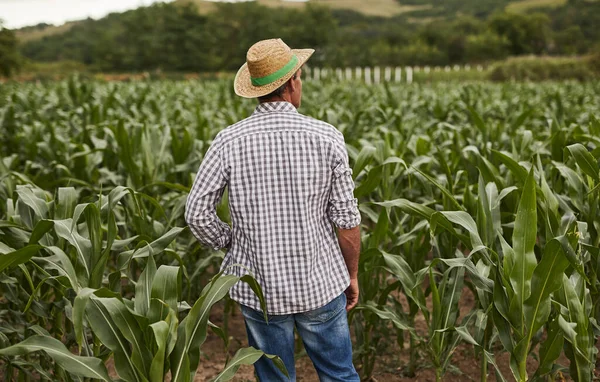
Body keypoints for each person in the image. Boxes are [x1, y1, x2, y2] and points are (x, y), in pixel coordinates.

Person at [185, 38, 361, 382]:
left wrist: (234, 243)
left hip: (261, 289)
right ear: (293, 82)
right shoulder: (327, 137)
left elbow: (197, 213)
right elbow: (346, 220)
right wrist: (351, 275)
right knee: (339, 375)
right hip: (321, 284)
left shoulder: (229, 141)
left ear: (256, 90)